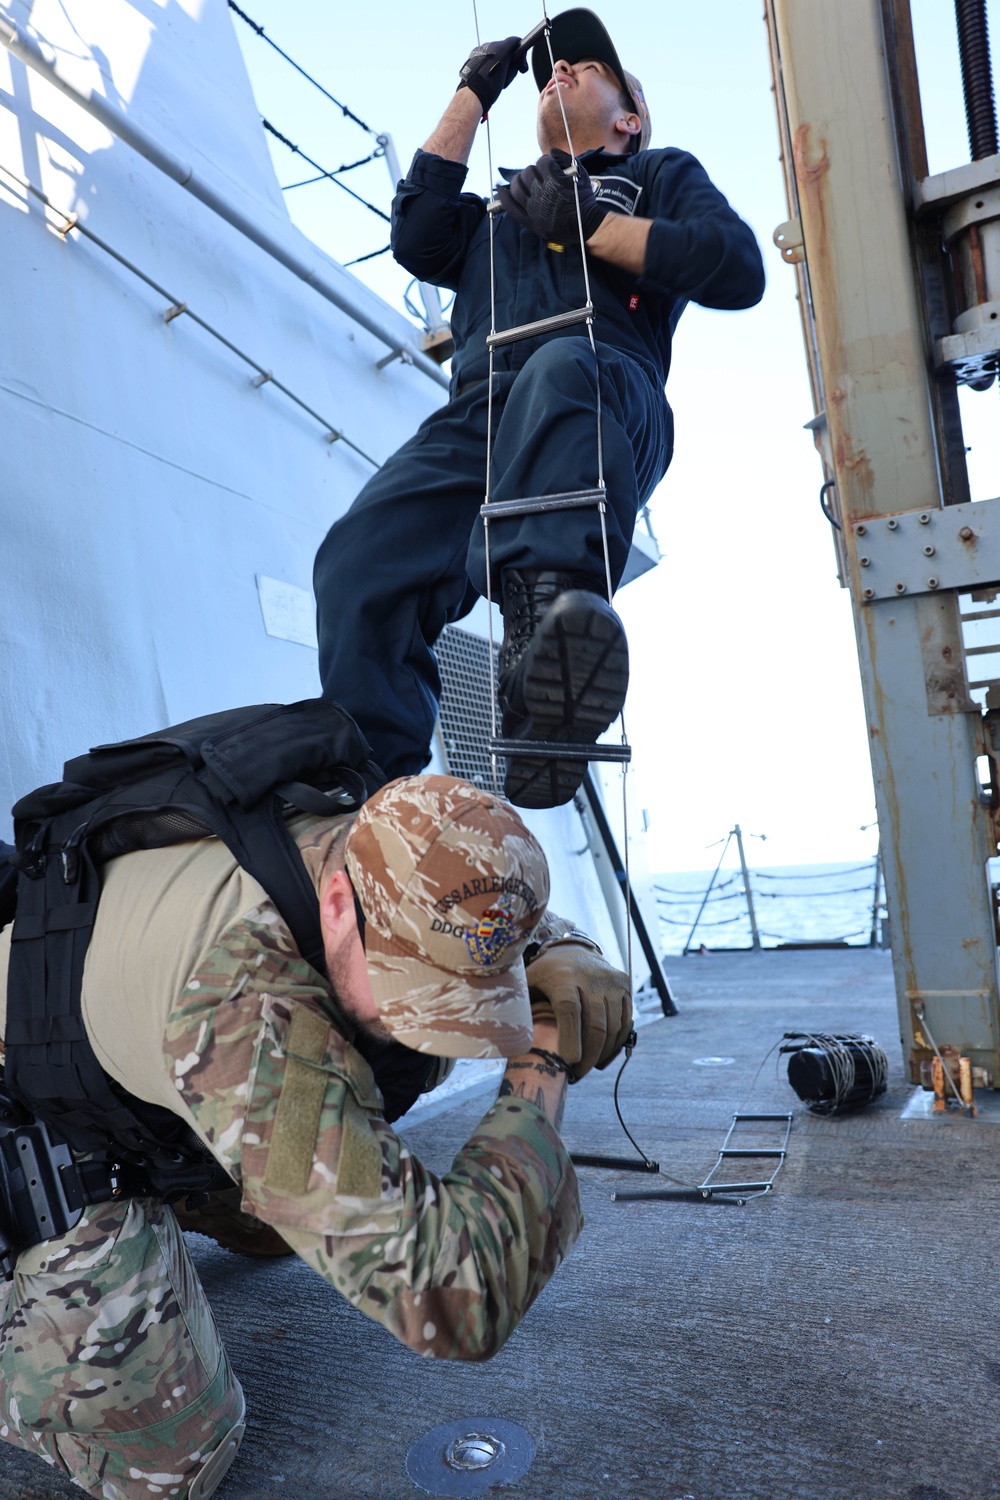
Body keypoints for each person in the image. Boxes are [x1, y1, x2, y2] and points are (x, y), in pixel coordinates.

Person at [0, 773, 631, 1500]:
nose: (429, 1026)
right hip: (41, 1113)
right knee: (172, 1466)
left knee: (288, 1220)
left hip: (135, 1050)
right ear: (337, 905)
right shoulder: (244, 1010)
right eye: (416, 994)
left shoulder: (362, 836)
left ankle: (190, 1172)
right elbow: (452, 1294)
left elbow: (469, 894)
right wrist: (540, 1060)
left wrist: (563, 946)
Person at [315, 7, 765, 810]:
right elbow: (417, 234)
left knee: (560, 369)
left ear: (629, 118)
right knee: (357, 560)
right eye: (558, 67)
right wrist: (472, 94)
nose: (561, 68)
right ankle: (366, 807)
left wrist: (590, 225)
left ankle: (543, 688)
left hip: (604, 394)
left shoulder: (656, 175)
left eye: (589, 70)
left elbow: (735, 268)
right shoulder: (498, 209)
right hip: (481, 418)